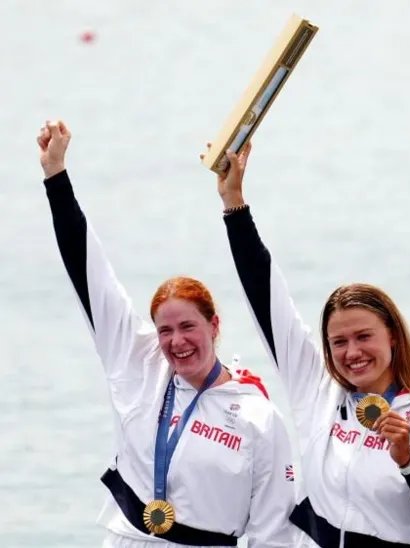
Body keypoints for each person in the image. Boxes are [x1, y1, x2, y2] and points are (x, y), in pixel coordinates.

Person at [209, 142, 410, 548]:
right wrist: (234, 204)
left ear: (392, 335)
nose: (352, 352)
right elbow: (267, 297)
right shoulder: (319, 390)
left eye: (363, 337)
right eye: (338, 342)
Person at [38, 120, 296, 547]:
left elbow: (276, 531)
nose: (177, 341)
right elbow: (90, 274)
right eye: (165, 330)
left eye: (189, 327)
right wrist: (56, 175)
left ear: (214, 326)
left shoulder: (258, 417)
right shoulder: (138, 361)